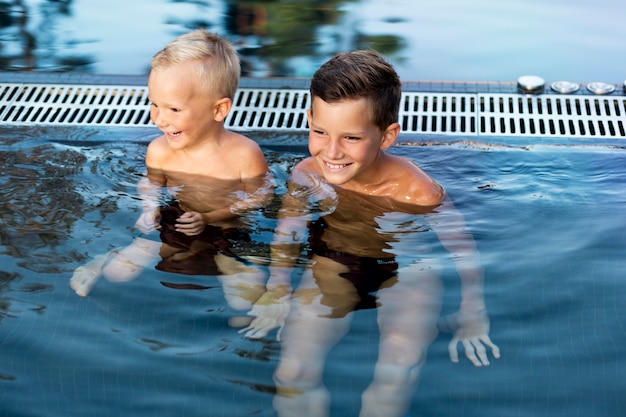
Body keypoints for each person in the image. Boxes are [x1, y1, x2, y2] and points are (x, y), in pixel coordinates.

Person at [240, 50, 500, 417]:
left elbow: (462, 249)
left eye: (351, 137)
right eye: (319, 132)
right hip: (333, 264)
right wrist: (277, 288)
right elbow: (288, 231)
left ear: (387, 135)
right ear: (309, 120)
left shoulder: (416, 191)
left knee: (398, 364)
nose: (331, 151)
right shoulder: (306, 175)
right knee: (292, 370)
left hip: (409, 271)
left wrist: (473, 310)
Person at [70, 30, 271, 315]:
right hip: (176, 222)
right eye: (154, 104)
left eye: (174, 109)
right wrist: (149, 208)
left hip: (230, 228)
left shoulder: (244, 154)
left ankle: (269, 298)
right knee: (119, 273)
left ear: (219, 109)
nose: (160, 119)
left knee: (243, 300)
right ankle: (105, 258)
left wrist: (210, 218)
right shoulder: (160, 150)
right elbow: (151, 184)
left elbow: (261, 196)